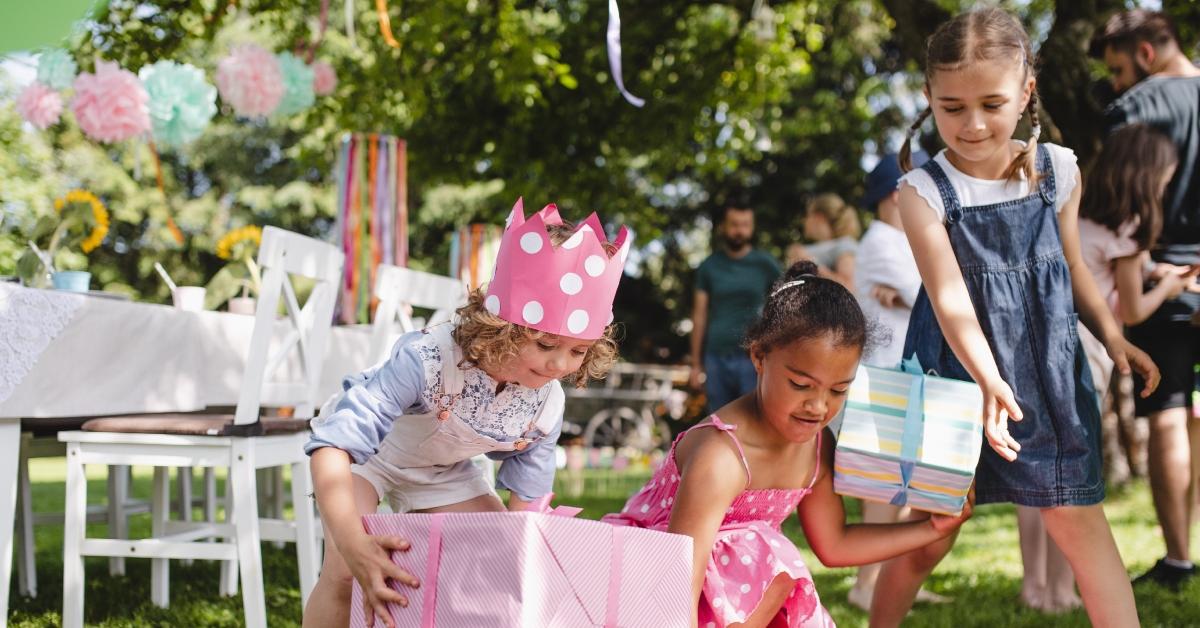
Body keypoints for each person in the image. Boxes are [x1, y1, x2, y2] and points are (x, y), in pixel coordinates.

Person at [871, 9, 1160, 627]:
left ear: (1027, 92)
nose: (972, 124)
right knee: (933, 532)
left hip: (1045, 371)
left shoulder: (1058, 169)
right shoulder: (921, 190)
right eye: (952, 107)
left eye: (991, 103)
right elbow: (949, 299)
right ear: (928, 98)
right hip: (951, 371)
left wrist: (1112, 337)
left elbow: (1074, 268)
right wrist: (985, 381)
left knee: (1076, 519)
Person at [302, 199, 626, 628]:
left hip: (444, 471)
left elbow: (526, 511)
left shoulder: (546, 404)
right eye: (545, 345)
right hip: (368, 459)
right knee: (345, 571)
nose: (560, 366)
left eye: (578, 351)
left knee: (495, 560)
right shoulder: (426, 359)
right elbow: (333, 448)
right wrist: (353, 542)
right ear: (502, 328)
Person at [604, 261, 972, 628]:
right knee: (766, 549)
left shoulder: (815, 447)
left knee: (769, 559)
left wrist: (929, 529)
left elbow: (835, 544)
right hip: (653, 591)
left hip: (734, 598)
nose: (818, 406)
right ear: (759, 356)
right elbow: (679, 580)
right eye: (800, 384)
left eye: (839, 390)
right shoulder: (721, 456)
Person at [1091, 8, 1200, 590]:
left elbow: (1117, 195)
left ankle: (1179, 557)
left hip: (1155, 273)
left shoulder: (1132, 109)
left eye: (1116, 69)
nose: (1115, 83)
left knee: (1167, 412)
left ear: (1146, 55)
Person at [844, 151, 948, 611]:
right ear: (897, 194)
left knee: (903, 486)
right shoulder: (883, 241)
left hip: (904, 375)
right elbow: (934, 290)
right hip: (884, 375)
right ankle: (866, 585)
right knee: (882, 488)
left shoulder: (900, 241)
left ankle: (894, 579)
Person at [690, 205, 782, 412]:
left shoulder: (765, 264)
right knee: (718, 422)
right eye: (734, 224)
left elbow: (785, 302)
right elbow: (699, 315)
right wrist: (696, 364)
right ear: (723, 226)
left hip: (753, 357)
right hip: (716, 356)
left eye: (745, 225)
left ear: (752, 227)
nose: (740, 230)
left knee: (754, 419)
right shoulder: (709, 266)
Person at [786, 193, 861, 291]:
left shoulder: (845, 244)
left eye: (807, 215)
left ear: (818, 217)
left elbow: (849, 287)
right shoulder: (828, 246)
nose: (804, 221)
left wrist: (809, 263)